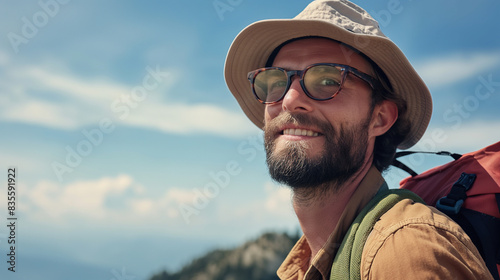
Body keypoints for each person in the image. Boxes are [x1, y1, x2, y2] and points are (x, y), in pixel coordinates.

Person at [224, 0, 494, 279]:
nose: (290, 100)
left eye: (328, 80)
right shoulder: (312, 261)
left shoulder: (404, 253)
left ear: (380, 119)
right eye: (275, 82)